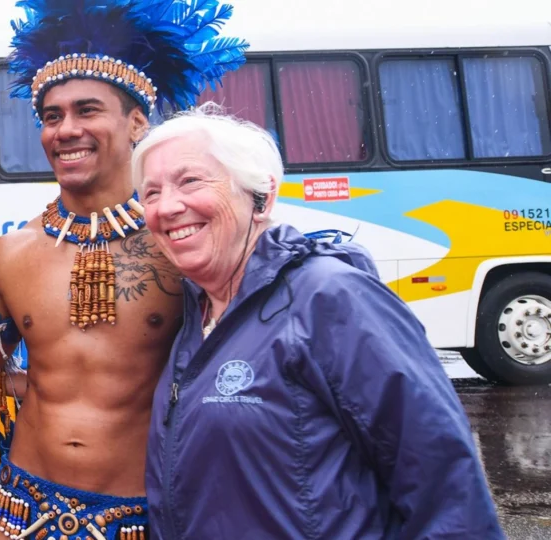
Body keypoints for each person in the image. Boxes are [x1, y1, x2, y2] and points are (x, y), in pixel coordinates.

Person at [0, 2, 247, 539]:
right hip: (20, 514)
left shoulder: (183, 249)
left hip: (142, 519)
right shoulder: (9, 255)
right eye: (52, 116)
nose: (65, 130)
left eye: (87, 110)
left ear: (137, 123)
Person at [132, 106, 505, 538]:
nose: (168, 207)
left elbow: (444, 487)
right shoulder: (195, 315)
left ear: (262, 197)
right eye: (151, 193)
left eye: (190, 181)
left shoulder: (332, 298)